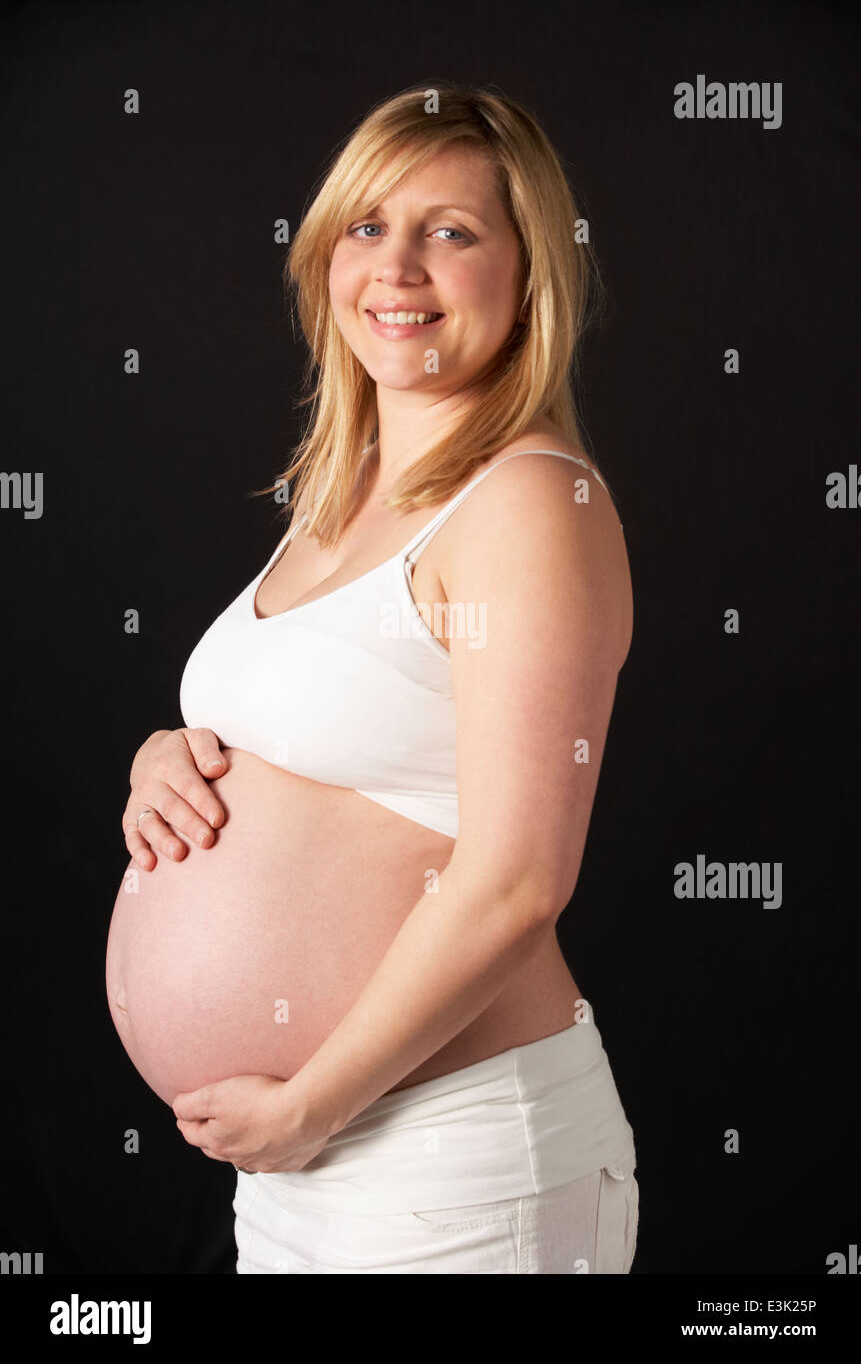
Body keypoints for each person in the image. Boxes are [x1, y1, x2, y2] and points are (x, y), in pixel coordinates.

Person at [121, 82, 638, 1274]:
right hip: (305, 1171)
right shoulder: (338, 494)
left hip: (448, 1167)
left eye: (450, 232)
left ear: (528, 271)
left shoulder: (524, 505)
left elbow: (516, 880)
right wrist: (170, 759)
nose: (396, 265)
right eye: (366, 226)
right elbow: (325, 739)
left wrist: (310, 1107)